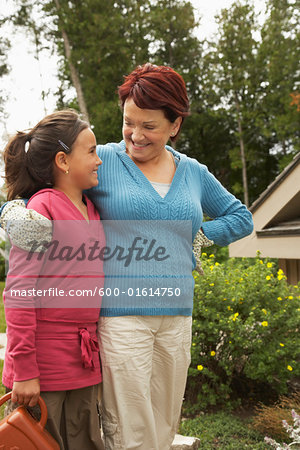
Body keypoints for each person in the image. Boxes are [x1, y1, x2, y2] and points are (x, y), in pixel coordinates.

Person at [1, 63, 253, 450]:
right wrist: (11, 213)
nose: (135, 135)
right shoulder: (102, 160)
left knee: (165, 425)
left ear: (175, 125)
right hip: (122, 318)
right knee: (130, 433)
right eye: (128, 122)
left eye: (149, 126)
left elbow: (241, 217)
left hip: (176, 316)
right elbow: (41, 180)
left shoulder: (194, 173)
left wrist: (199, 235)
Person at [2, 110, 105, 449]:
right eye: (90, 151)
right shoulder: (40, 211)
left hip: (84, 364)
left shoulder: (92, 209)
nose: (98, 160)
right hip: (42, 370)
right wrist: (24, 369)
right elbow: (18, 293)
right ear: (63, 160)